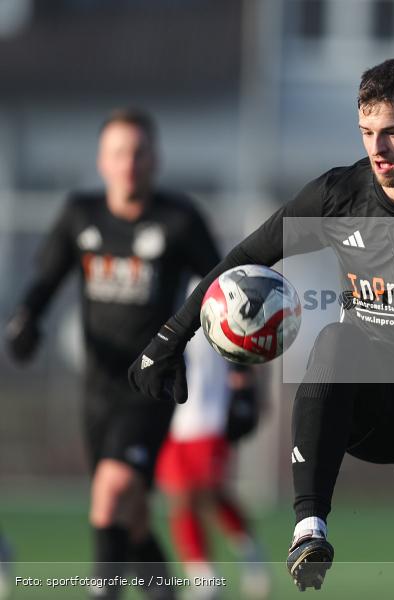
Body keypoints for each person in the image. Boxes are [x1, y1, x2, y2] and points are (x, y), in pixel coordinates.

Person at [128, 59, 394, 599]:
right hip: (374, 399)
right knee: (337, 340)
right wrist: (170, 336)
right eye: (367, 133)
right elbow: (251, 254)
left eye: (393, 132)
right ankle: (309, 527)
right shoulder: (339, 195)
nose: (378, 148)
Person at [5, 108, 221, 599]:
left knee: (110, 493)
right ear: (102, 162)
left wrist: (243, 379)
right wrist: (26, 322)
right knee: (134, 517)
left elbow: (227, 292)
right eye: (119, 153)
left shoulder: (179, 221)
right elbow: (45, 280)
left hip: (152, 385)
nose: (130, 163)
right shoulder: (81, 215)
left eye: (139, 152)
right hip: (97, 390)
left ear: (155, 159)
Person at [155, 283, 269, 599]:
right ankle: (203, 575)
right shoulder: (163, 285)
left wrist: (248, 388)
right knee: (181, 497)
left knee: (206, 494)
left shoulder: (215, 287)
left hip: (211, 411)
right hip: (173, 417)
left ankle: (250, 553)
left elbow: (253, 334)